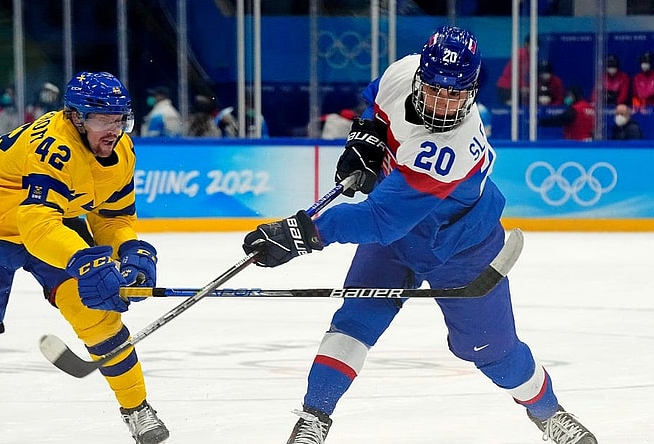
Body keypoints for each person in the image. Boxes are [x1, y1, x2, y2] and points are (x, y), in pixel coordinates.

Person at [241, 26, 597, 444]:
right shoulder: (401, 73)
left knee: (492, 353)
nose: (445, 104)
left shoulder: (451, 146)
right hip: (398, 240)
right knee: (354, 321)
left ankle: (549, 414)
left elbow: (379, 220)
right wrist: (366, 140)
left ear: (472, 91)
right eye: (435, 90)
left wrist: (300, 233)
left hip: (462, 247)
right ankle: (314, 417)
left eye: (457, 95)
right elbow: (375, 106)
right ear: (419, 78)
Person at [0, 72, 170, 444]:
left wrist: (129, 249)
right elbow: (34, 224)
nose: (114, 130)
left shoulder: (121, 152)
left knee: (99, 320)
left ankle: (136, 409)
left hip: (54, 224)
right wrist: (87, 261)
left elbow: (112, 217)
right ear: (75, 117)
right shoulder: (54, 147)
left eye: (120, 119)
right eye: (103, 119)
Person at [495, 34, 530, 105]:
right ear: (526, 44)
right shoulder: (522, 55)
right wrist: (523, 87)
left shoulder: (528, 56)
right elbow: (515, 73)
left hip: (512, 87)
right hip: (507, 88)